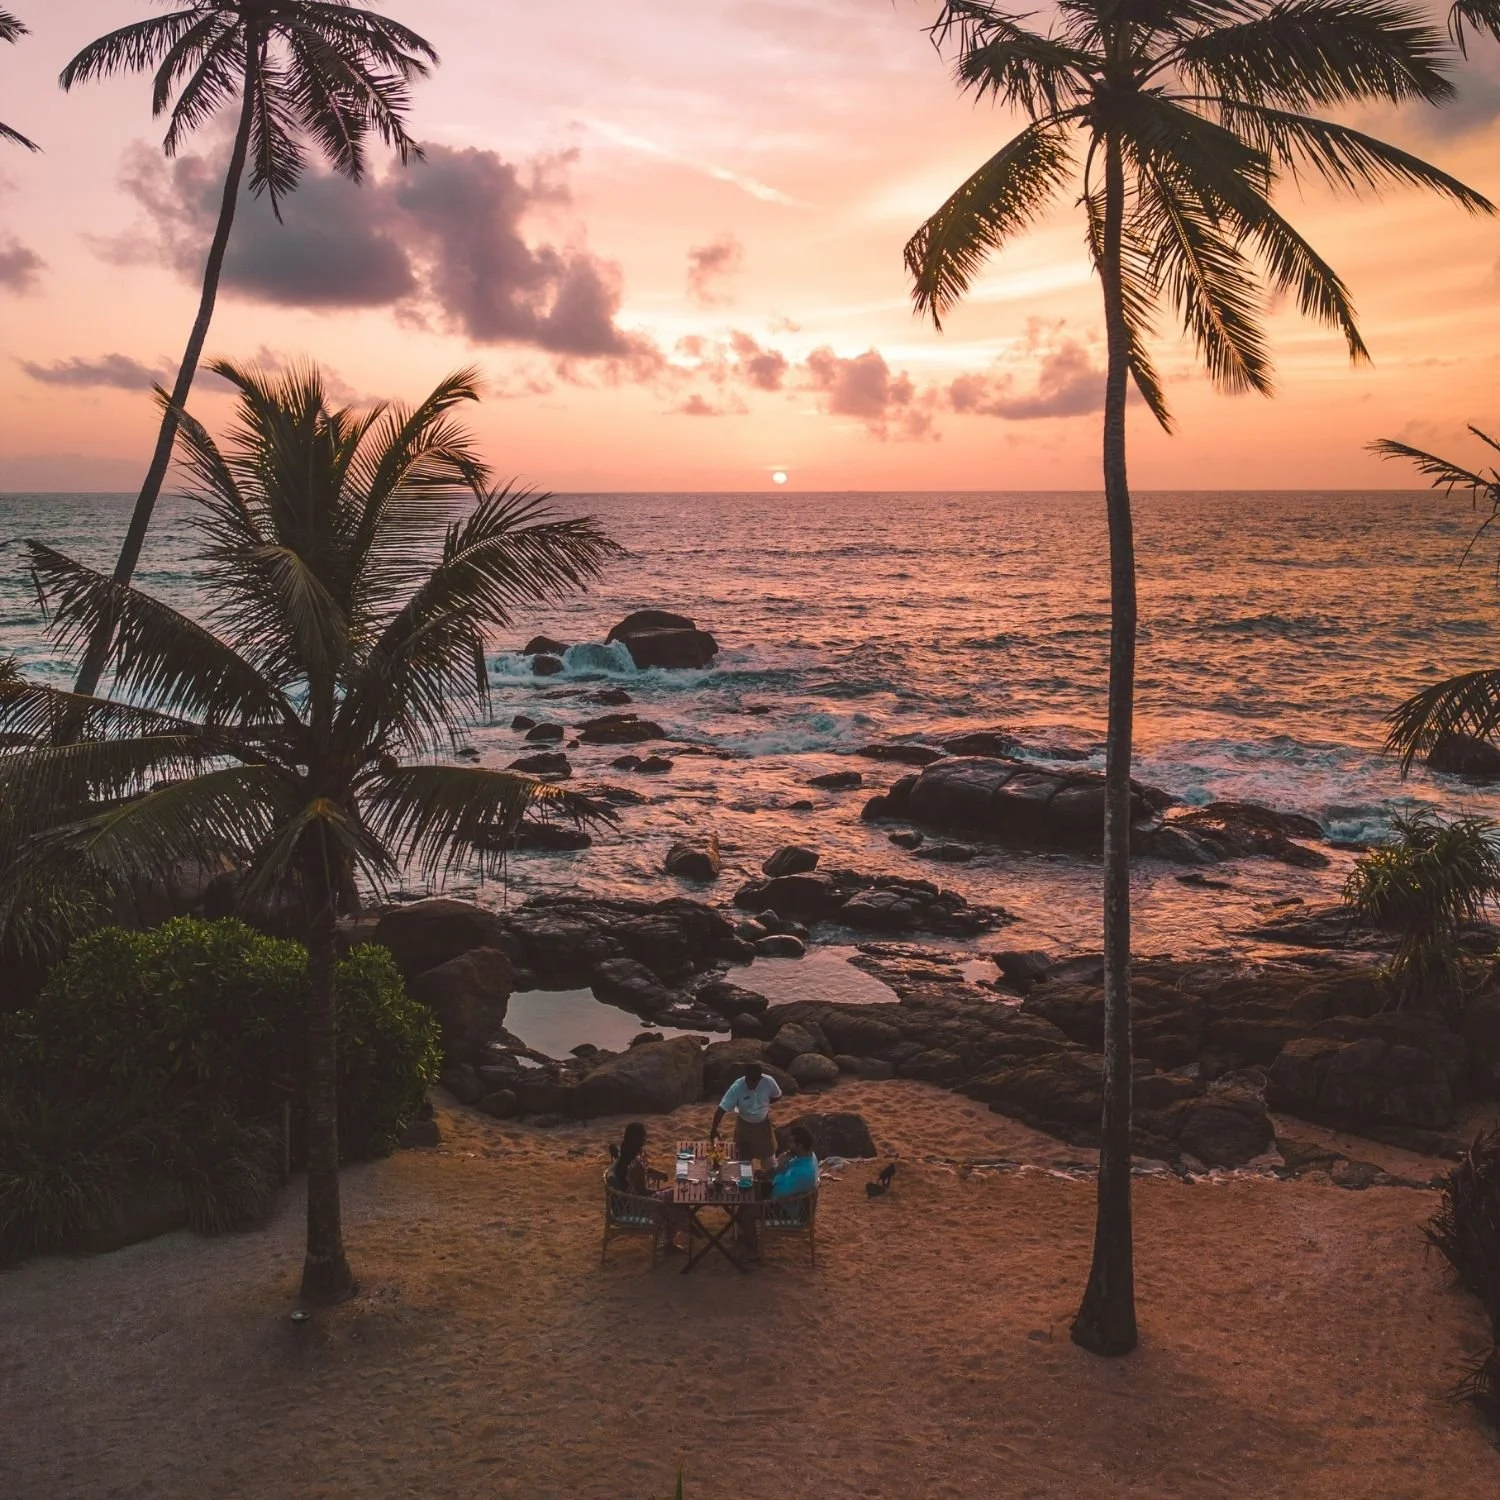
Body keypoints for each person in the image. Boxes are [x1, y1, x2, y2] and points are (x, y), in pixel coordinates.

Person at [709, 1061, 781, 1171]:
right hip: (744, 1125)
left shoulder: (769, 1082)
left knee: (769, 1160)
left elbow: (777, 1095)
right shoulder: (737, 1087)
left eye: (755, 1082)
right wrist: (714, 1129)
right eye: (750, 1082)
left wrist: (765, 1104)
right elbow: (721, 1109)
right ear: (745, 1078)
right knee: (743, 1162)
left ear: (760, 1079)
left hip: (763, 1125)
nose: (752, 1085)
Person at [770, 1124, 819, 1200]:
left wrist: (780, 1165)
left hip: (783, 1208)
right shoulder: (808, 1156)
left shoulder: (802, 1173)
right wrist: (780, 1167)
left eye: (790, 1142)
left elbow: (776, 1193)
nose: (787, 1145)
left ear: (800, 1146)